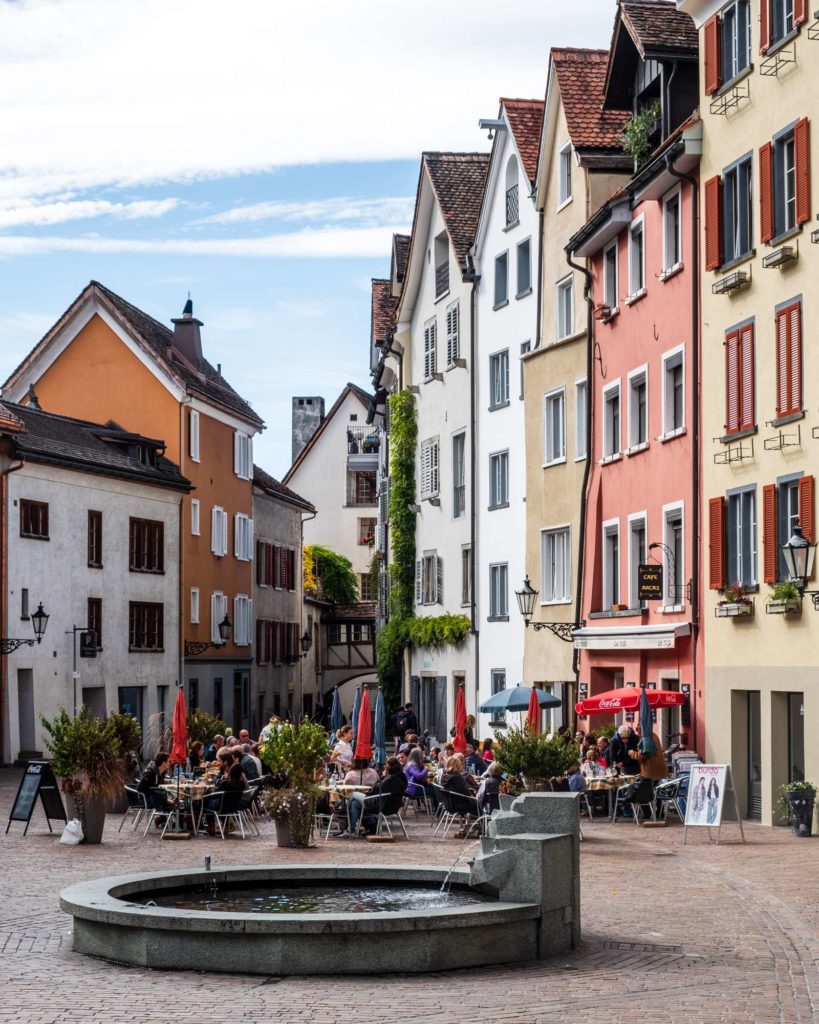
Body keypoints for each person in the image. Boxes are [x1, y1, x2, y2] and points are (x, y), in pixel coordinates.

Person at [340, 757, 407, 837]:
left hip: (380, 805)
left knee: (353, 795)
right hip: (392, 806)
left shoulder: (390, 779)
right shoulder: (400, 778)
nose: (385, 766)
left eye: (386, 764)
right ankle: (351, 830)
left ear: (390, 766)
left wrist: (383, 776)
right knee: (355, 804)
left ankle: (346, 823)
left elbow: (376, 788)